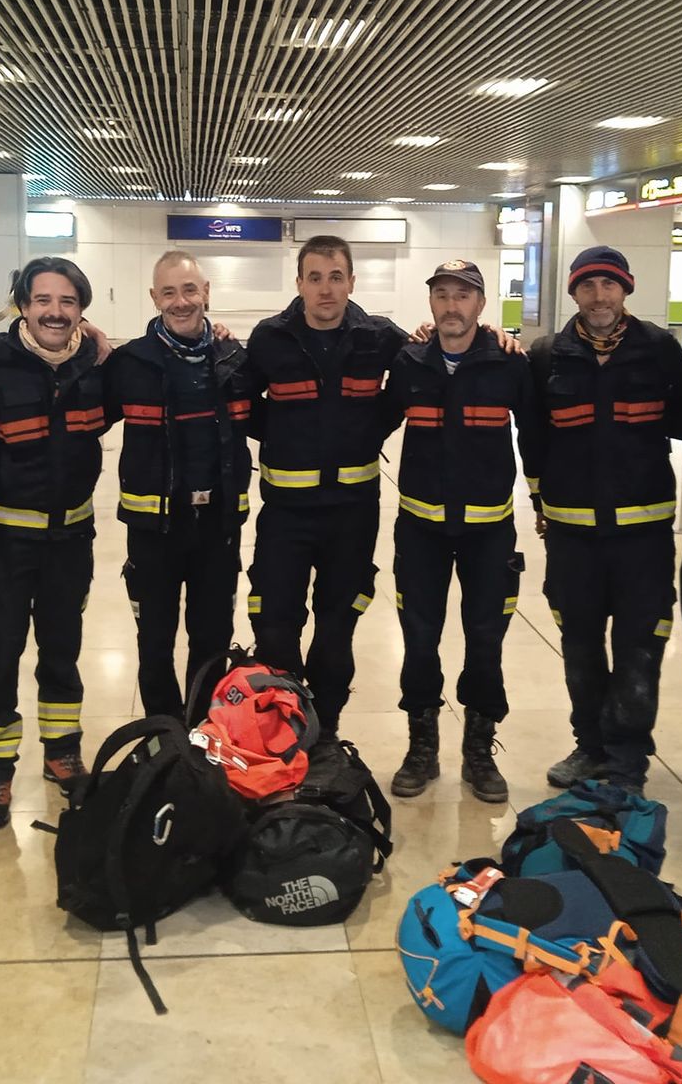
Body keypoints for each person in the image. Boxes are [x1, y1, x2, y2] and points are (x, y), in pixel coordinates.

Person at [530, 246, 682, 793]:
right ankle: (590, 746)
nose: (599, 296)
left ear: (625, 289)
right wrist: (540, 503)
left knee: (639, 646)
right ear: (574, 294)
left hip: (643, 537)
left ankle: (627, 759)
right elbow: (533, 438)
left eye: (609, 285)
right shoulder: (546, 355)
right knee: (580, 644)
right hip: (573, 535)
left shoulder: (658, 348)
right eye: (588, 286)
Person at [382, 260, 540, 803]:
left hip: (488, 532)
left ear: (481, 304)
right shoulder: (409, 361)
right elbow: (375, 418)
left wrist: (541, 500)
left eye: (463, 296)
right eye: (442, 295)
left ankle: (478, 745)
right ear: (431, 304)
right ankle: (421, 743)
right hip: (420, 529)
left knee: (486, 640)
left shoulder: (508, 362)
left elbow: (538, 435)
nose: (452, 306)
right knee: (419, 640)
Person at [244, 235, 408, 741]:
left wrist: (366, 430)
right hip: (286, 513)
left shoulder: (379, 337)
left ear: (352, 282)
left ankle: (327, 732)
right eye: (314, 277)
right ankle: (288, 729)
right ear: (299, 284)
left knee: (337, 629)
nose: (326, 289)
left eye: (336, 277)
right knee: (274, 623)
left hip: (352, 514)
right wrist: (285, 436)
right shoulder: (270, 337)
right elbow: (243, 400)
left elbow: (417, 374)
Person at [0, 257, 106, 829]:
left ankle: (62, 750)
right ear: (23, 305)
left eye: (68, 301)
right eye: (43, 300)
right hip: (3, 543)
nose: (55, 311)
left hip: (70, 540)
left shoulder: (96, 368)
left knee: (62, 648)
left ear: (81, 310)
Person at [104, 250, 260, 720]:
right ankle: (163, 734)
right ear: (154, 298)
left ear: (207, 292)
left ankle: (201, 729)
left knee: (211, 638)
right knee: (154, 639)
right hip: (154, 531)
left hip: (217, 526)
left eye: (190, 289)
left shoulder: (234, 358)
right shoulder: (130, 362)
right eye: (168, 292)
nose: (180, 301)